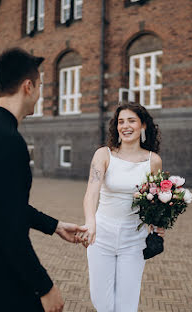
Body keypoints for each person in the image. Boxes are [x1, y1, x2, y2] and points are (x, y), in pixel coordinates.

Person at [0, 48, 86, 312]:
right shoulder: (8, 141)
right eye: (41, 86)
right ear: (28, 86)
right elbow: (8, 229)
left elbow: (3, 204)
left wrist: (54, 226)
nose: (40, 94)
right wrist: (45, 287)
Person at [79, 102, 166, 312]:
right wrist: (90, 223)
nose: (125, 126)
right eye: (120, 121)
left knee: (127, 304)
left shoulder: (153, 161)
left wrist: (158, 225)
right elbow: (91, 193)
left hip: (133, 239)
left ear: (143, 125)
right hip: (101, 235)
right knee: (102, 301)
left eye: (131, 121)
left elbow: (155, 200)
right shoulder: (104, 155)